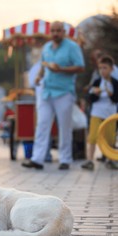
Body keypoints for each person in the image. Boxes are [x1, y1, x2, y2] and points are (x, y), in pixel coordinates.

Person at [22, 21, 85, 170]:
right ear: (50, 32)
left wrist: (62, 69)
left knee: (64, 127)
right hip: (47, 91)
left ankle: (65, 159)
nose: (55, 33)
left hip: (64, 92)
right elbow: (44, 65)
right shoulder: (47, 47)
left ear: (63, 32)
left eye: (58, 31)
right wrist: (38, 76)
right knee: (42, 125)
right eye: (53, 31)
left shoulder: (72, 47)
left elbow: (81, 67)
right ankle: (37, 159)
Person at [81, 55, 118, 171]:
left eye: (105, 68)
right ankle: (89, 160)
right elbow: (89, 97)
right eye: (100, 68)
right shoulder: (97, 81)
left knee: (110, 138)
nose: (102, 71)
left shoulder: (115, 83)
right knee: (92, 136)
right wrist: (94, 94)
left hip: (110, 114)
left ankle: (110, 159)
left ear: (111, 69)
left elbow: (116, 98)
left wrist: (111, 94)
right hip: (97, 112)